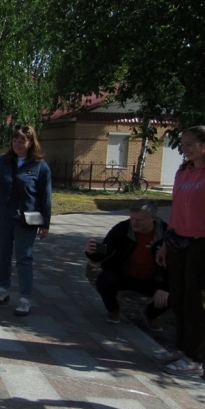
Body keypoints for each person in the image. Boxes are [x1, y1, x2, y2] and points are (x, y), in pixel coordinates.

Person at [0, 125, 52, 316]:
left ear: (30, 143)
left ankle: (24, 298)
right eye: (15, 140)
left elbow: (45, 197)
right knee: (2, 255)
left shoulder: (40, 166)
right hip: (2, 217)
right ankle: (2, 289)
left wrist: (45, 223)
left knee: (24, 258)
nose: (17, 144)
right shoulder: (3, 161)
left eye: (22, 141)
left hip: (26, 220)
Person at [155, 125, 205, 376]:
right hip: (178, 241)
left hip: (201, 243)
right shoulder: (182, 172)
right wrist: (165, 243)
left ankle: (195, 357)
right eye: (182, 144)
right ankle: (181, 348)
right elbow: (175, 211)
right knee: (179, 296)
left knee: (194, 300)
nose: (183, 149)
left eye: (189, 145)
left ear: (203, 146)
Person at [85, 199, 169, 329]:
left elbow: (175, 266)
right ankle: (113, 310)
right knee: (104, 280)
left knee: (175, 294)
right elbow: (105, 250)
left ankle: (150, 314)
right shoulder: (122, 228)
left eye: (139, 220)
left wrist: (165, 288)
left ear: (153, 217)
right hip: (124, 275)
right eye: (132, 218)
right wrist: (91, 252)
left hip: (152, 279)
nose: (134, 223)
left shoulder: (166, 233)